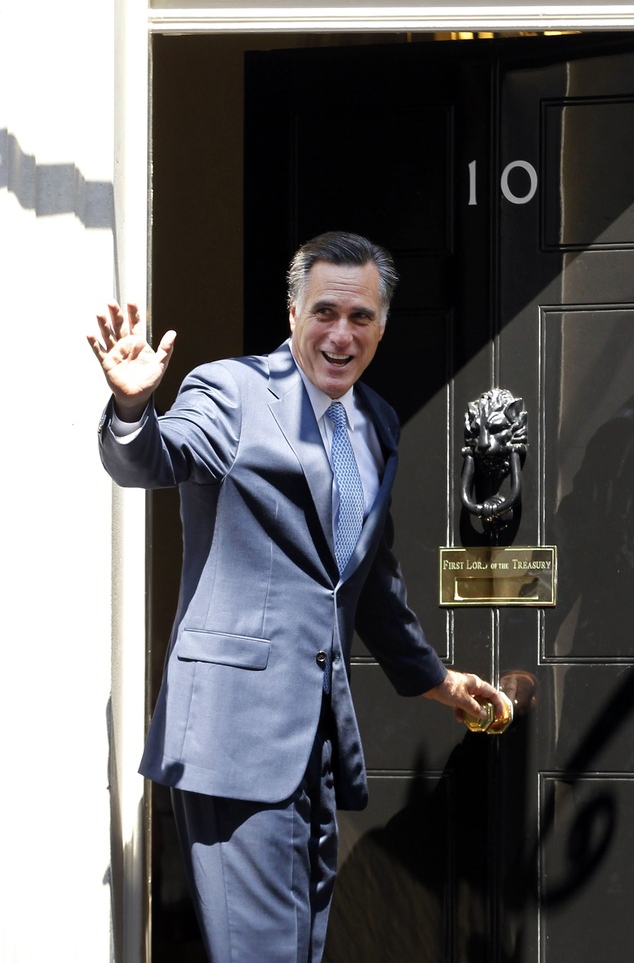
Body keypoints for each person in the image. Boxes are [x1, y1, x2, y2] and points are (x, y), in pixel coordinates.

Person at [88, 231, 505, 963]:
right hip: (232, 740)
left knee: (299, 950)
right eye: (324, 313)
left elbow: (367, 580)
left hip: (315, 743)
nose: (341, 335)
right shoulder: (232, 392)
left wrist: (435, 681)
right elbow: (158, 457)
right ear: (291, 315)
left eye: (361, 318)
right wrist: (131, 412)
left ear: (380, 324)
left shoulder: (374, 422)